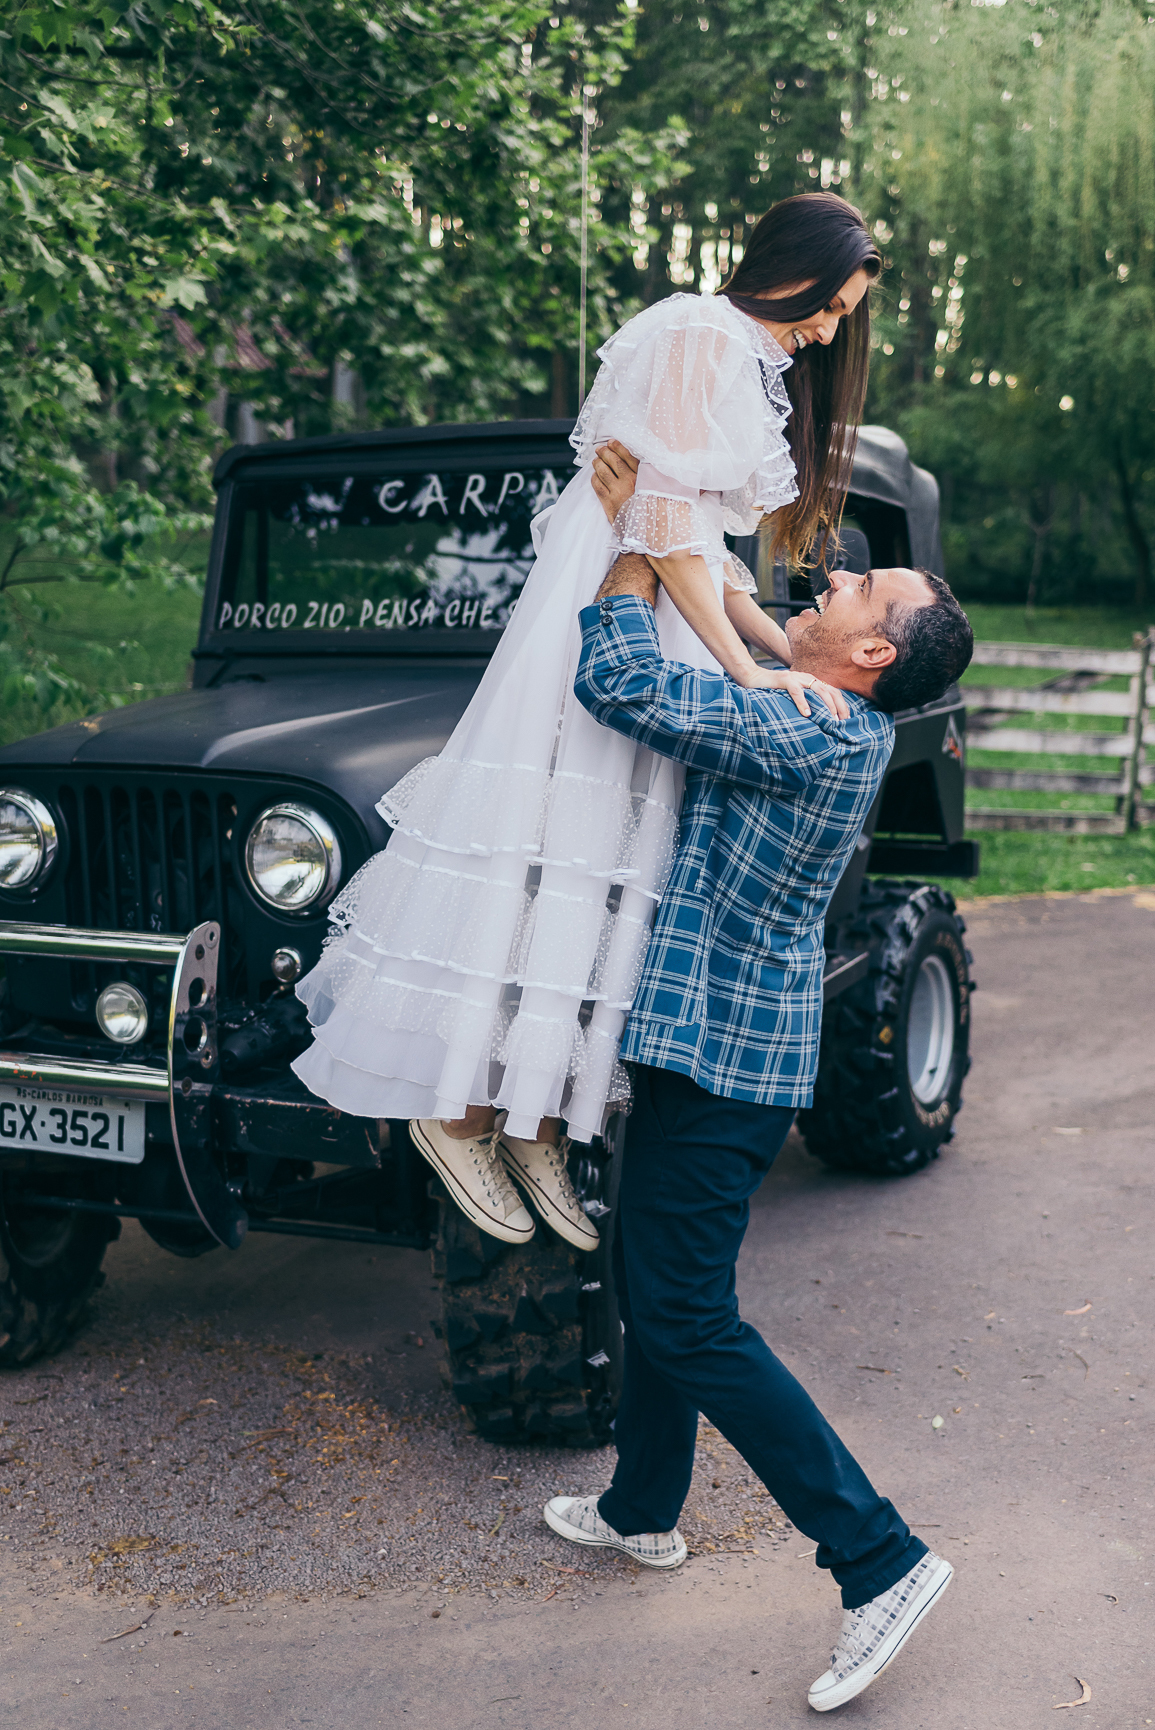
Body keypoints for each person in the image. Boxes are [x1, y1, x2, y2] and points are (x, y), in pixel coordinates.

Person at [292, 192, 880, 1254]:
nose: (829, 330)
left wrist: (771, 641)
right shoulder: (703, 329)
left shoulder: (741, 354)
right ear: (787, 266)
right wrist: (744, 665)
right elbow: (655, 522)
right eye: (828, 305)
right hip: (624, 597)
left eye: (841, 314)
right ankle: (461, 1102)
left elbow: (698, 532)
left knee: (616, 867)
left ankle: (534, 1111)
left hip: (671, 594)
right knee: (556, 846)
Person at [543, 542, 973, 1714]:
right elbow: (763, 626)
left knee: (688, 1317)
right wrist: (695, 546)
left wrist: (628, 558)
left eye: (859, 591)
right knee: (652, 1281)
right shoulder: (810, 697)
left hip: (726, 1061)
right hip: (704, 1043)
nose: (831, 581)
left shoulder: (816, 729)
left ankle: (879, 1557)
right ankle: (643, 1509)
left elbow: (623, 686)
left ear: (874, 651)